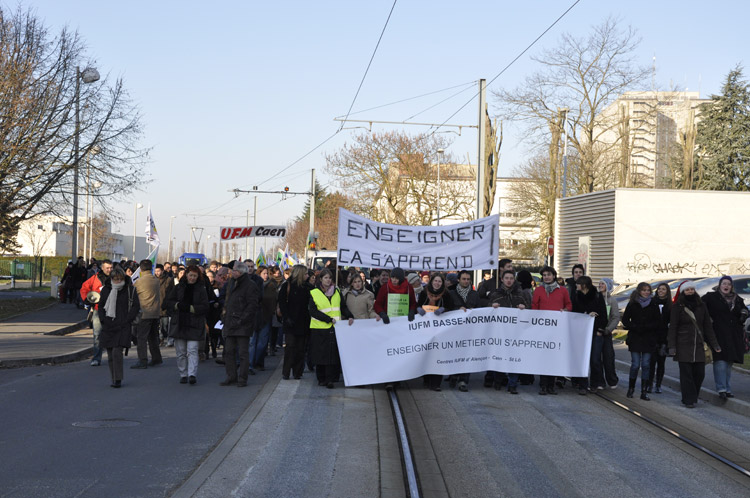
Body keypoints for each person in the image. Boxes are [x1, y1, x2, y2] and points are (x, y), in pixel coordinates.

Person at [668, 280, 721, 408]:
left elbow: (707, 326)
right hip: (683, 344)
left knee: (699, 373)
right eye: (687, 290)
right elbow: (673, 327)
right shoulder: (677, 307)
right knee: (686, 374)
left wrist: (715, 344)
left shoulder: (701, 305)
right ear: (683, 292)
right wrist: (672, 346)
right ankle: (688, 399)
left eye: (692, 289)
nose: (690, 291)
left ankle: (693, 395)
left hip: (698, 344)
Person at [702, 276, 748, 399]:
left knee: (728, 363)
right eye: (724, 283)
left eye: (728, 284)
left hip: (733, 336)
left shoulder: (737, 299)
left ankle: (727, 388)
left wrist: (744, 313)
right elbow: (700, 306)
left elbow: (743, 309)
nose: (726, 286)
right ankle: (721, 388)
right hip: (718, 334)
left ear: (731, 286)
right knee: (720, 362)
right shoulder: (711, 297)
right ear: (720, 285)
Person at [308, 269, 353, 388]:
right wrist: (327, 319)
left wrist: (349, 316)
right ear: (321, 279)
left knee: (331, 355)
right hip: (319, 328)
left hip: (335, 327)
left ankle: (330, 379)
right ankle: (321, 378)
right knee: (320, 355)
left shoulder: (337, 291)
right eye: (326, 278)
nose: (328, 280)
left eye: (330, 278)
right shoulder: (314, 292)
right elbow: (312, 311)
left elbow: (342, 307)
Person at [166, 266, 209, 384]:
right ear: (186, 275)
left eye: (195, 276)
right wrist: (177, 305)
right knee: (181, 352)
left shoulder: (201, 289)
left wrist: (192, 308)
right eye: (191, 275)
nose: (192, 278)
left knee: (193, 350)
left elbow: (205, 306)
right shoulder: (178, 288)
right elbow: (168, 302)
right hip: (179, 323)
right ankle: (183, 374)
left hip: (194, 324)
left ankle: (192, 374)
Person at [532, 266, 572, 395]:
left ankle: (551, 385)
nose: (546, 277)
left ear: (554, 276)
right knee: (544, 357)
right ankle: (543, 385)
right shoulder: (538, 290)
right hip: (543, 329)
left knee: (554, 357)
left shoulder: (563, 291)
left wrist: (565, 310)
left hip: (557, 329)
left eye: (548, 275)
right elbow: (534, 307)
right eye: (544, 275)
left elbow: (569, 305)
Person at [98, 267, 140, 388]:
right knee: (110, 354)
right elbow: (101, 306)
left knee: (117, 352)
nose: (118, 281)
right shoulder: (106, 289)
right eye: (115, 279)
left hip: (123, 326)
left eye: (120, 279)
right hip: (108, 325)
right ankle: (113, 377)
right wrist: (102, 320)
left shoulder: (129, 289)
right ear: (111, 279)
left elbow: (136, 306)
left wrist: (127, 320)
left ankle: (118, 379)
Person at [489, 270, 530, 393]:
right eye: (506, 278)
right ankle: (498, 380)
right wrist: (492, 306)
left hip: (516, 333)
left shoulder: (520, 294)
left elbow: (529, 309)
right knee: (499, 356)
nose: (509, 280)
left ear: (514, 280)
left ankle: (512, 384)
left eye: (511, 278)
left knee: (514, 357)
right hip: (500, 332)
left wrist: (524, 308)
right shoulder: (495, 294)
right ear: (502, 279)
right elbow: (488, 309)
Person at [220, 261, 260, 387]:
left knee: (243, 353)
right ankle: (231, 376)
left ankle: (243, 378)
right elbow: (227, 300)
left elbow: (252, 305)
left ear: (241, 272)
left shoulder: (250, 285)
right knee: (229, 351)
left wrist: (242, 319)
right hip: (230, 322)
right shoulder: (231, 283)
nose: (231, 272)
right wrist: (224, 315)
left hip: (243, 324)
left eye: (234, 270)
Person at [417, 272, 457, 391]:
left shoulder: (446, 294)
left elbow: (452, 307)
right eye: (435, 281)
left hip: (440, 330)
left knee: (437, 355)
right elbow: (417, 306)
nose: (437, 283)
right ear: (431, 281)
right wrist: (418, 309)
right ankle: (426, 379)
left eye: (440, 281)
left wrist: (444, 310)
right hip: (425, 329)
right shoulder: (424, 292)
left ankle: (436, 383)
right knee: (426, 354)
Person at [621, 282, 661, 400]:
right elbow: (625, 319)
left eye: (648, 290)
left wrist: (648, 327)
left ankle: (644, 391)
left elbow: (658, 321)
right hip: (635, 338)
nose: (646, 292)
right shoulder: (633, 303)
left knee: (646, 365)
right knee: (635, 364)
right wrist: (634, 327)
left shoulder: (654, 304)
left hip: (648, 339)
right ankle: (631, 388)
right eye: (644, 290)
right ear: (639, 291)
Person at [571, 276, 607, 395]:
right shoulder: (576, 296)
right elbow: (574, 313)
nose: (576, 285)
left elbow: (603, 315)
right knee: (583, 359)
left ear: (584, 285)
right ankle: (583, 384)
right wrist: (586, 314)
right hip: (582, 332)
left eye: (578, 284)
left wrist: (600, 330)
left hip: (595, 332)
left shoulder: (597, 296)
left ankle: (594, 383)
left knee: (595, 359)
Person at [278, 265, 312, 379]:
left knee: (300, 349)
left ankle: (298, 372)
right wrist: (286, 317)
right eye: (306, 274)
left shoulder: (308, 287)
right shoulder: (287, 286)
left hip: (303, 322)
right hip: (290, 322)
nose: (308, 276)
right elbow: (282, 302)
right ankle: (286, 372)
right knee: (290, 347)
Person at [448, 270, 479, 391]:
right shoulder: (451, 293)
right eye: (464, 279)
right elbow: (447, 309)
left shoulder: (475, 294)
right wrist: (457, 309)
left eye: (468, 279)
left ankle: (463, 380)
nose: (466, 281)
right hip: (454, 330)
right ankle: (454, 374)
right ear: (458, 280)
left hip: (470, 330)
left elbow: (480, 309)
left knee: (467, 354)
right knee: (455, 353)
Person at [81, 259, 113, 366]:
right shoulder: (95, 278)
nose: (109, 270)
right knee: (97, 335)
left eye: (111, 267)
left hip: (113, 310)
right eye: (107, 268)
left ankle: (112, 357)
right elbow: (84, 288)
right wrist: (87, 299)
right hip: (98, 309)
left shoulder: (116, 278)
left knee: (112, 334)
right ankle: (96, 358)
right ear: (102, 268)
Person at [131, 259, 163, 369]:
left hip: (144, 313)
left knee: (141, 338)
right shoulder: (155, 279)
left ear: (140, 268)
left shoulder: (139, 281)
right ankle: (156, 358)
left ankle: (142, 360)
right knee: (153, 336)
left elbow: (133, 295)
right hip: (155, 312)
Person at [594, 278, 620, 390]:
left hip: (606, 332)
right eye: (599, 284)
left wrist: (608, 329)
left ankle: (612, 380)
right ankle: (599, 381)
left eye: (603, 284)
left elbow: (615, 317)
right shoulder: (595, 298)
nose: (600, 285)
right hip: (596, 332)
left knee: (608, 357)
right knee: (596, 358)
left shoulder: (612, 300)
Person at [648, 282, 672, 393]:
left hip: (664, 338)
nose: (660, 291)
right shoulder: (652, 302)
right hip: (653, 337)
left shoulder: (670, 305)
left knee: (661, 363)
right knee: (651, 362)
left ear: (667, 291)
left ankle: (658, 384)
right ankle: (649, 384)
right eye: (659, 289)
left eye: (663, 289)